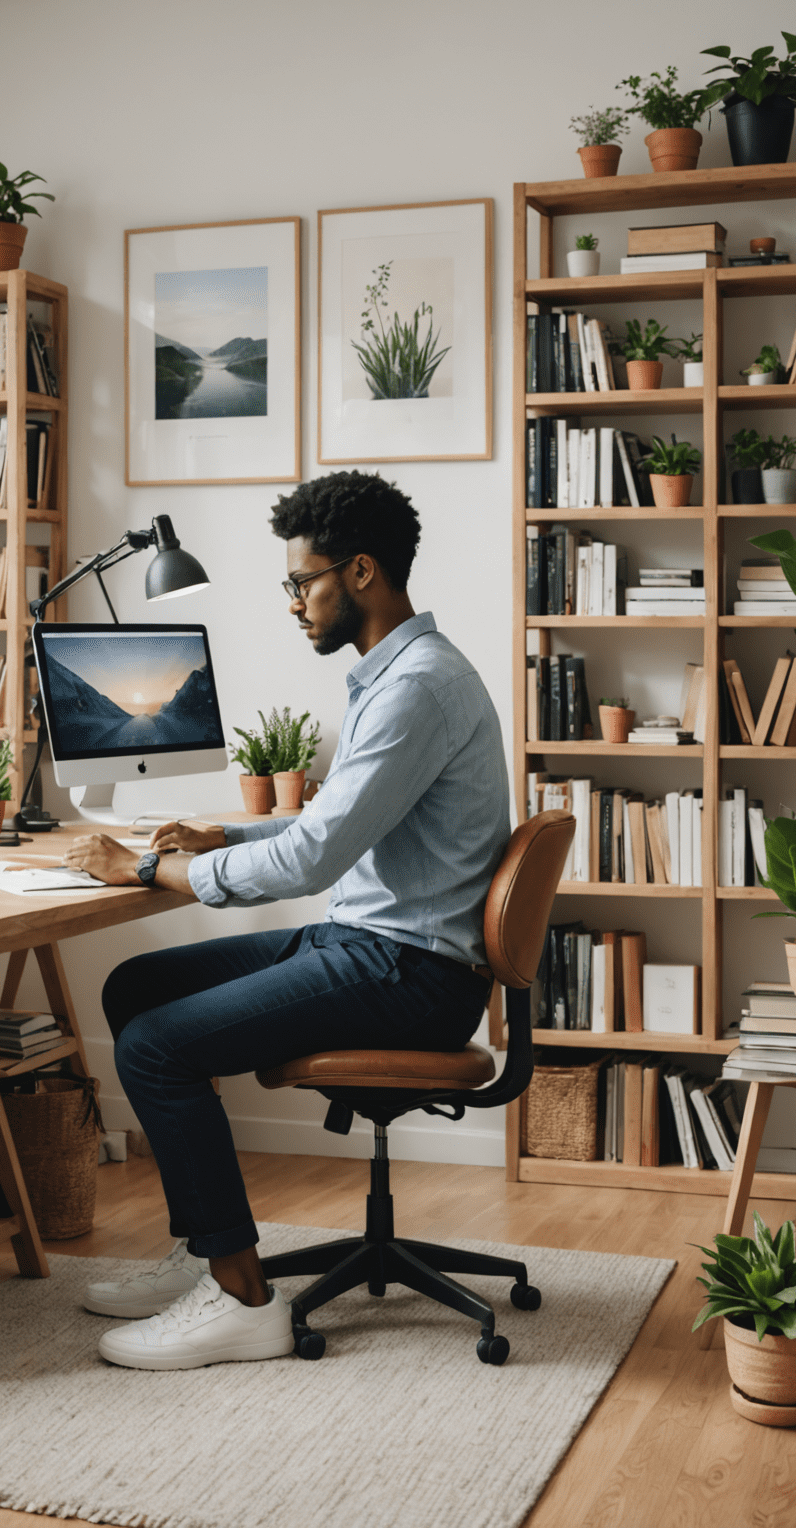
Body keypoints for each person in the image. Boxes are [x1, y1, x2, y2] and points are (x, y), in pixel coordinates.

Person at [62, 470, 510, 1370]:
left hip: (408, 974)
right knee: (137, 984)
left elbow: (313, 860)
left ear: (362, 573)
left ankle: (240, 1299)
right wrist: (223, 831)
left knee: (152, 1047)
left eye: (302, 583)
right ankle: (204, 1249)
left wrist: (154, 867)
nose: (294, 604)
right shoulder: (398, 675)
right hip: (375, 944)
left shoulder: (416, 689)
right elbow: (336, 819)